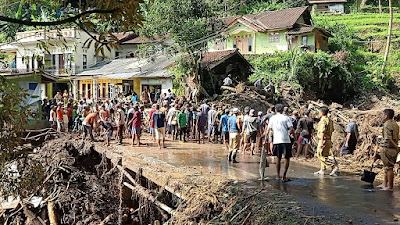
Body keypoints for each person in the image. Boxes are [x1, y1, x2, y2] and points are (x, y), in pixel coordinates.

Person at [265, 104, 294, 182]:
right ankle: (284, 176)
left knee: (278, 157)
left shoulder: (272, 118)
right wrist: (293, 136)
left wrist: (265, 140)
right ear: (282, 110)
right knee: (287, 158)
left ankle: (278, 175)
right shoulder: (286, 118)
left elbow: (268, 130)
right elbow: (291, 128)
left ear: (275, 110)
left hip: (276, 141)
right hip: (286, 140)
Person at [377, 109, 399, 191]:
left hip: (388, 148)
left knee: (389, 168)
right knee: (386, 167)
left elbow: (388, 138)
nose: (382, 117)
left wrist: (396, 147)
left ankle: (389, 186)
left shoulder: (387, 125)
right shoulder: (395, 124)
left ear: (386, 116)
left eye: (382, 115)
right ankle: (384, 183)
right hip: (392, 148)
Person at [314, 106, 339, 176]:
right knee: (325, 155)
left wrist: (321, 141)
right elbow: (332, 130)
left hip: (323, 139)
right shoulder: (330, 120)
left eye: (319, 112)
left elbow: (322, 131)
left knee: (320, 155)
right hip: (328, 140)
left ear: (322, 113)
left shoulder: (323, 120)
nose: (318, 114)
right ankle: (322, 170)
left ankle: (333, 166)